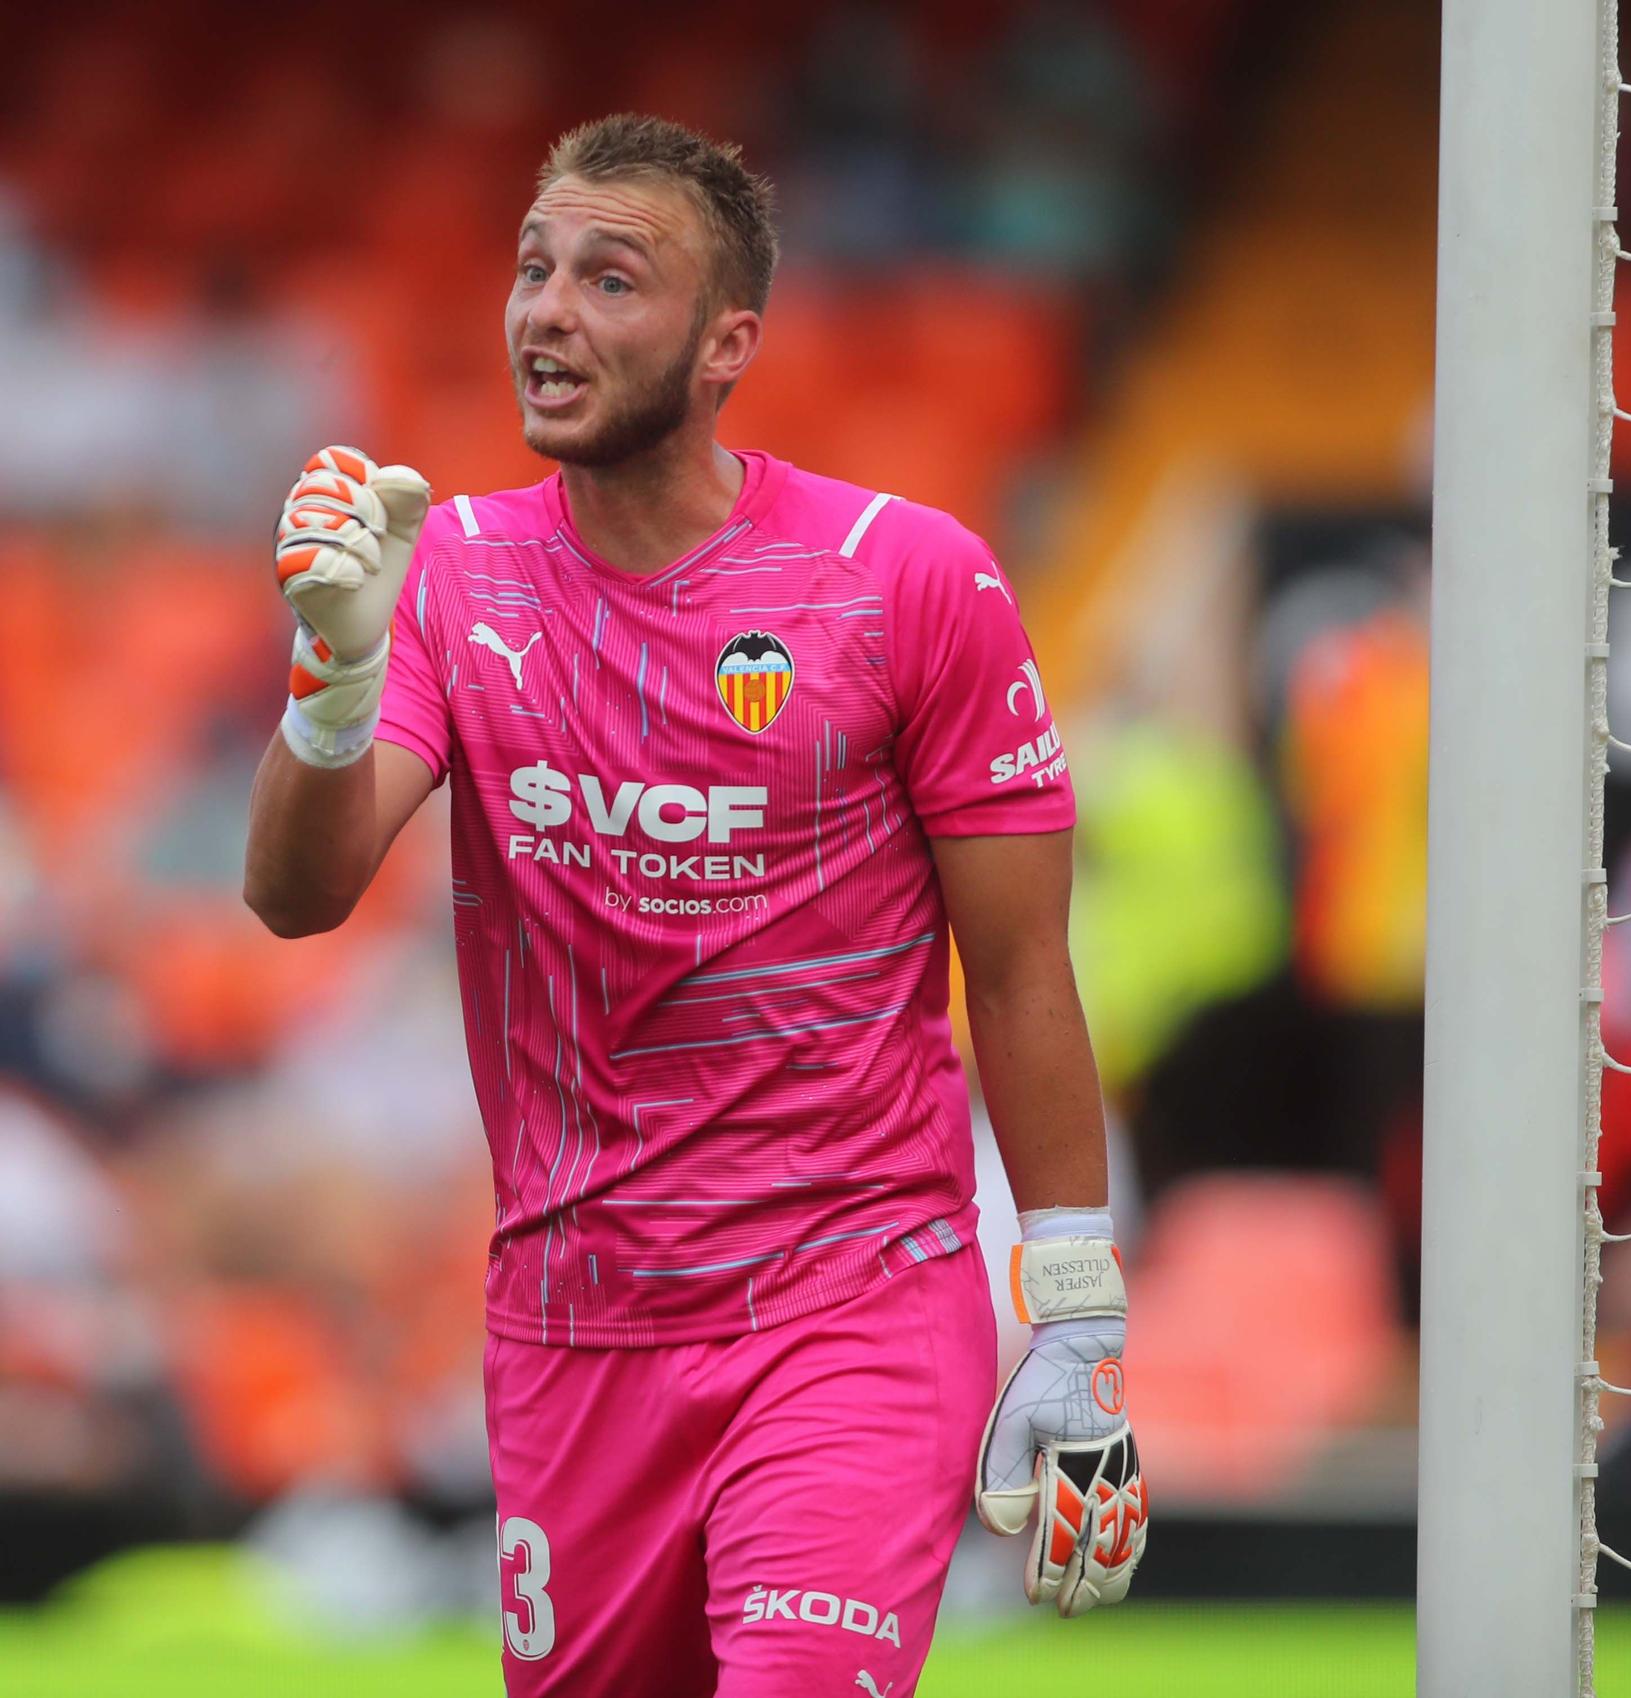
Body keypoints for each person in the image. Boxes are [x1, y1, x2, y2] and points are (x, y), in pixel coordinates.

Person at [243, 113, 1145, 1696]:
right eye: (534, 270)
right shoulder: (452, 577)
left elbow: (1017, 972)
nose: (546, 312)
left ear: (729, 343)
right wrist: (334, 676)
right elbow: (299, 894)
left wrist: (1072, 1314)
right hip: (573, 1326)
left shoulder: (907, 579)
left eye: (610, 278)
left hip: (850, 1304)